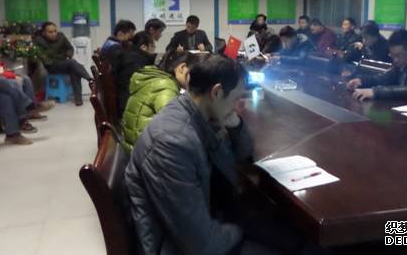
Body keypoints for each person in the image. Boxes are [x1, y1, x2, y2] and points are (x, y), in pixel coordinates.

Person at [124, 55, 303, 254]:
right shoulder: (171, 142)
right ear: (216, 92)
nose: (236, 105)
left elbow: (243, 154)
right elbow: (201, 244)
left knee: (293, 238)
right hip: (177, 246)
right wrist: (240, 229)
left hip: (209, 219)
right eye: (235, 99)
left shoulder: (198, 114)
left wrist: (235, 125)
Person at [0, 17, 54, 121]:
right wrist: (11, 76)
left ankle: (31, 110)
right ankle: (24, 115)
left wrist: (9, 73)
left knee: (25, 78)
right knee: (15, 82)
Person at [121, 50, 203, 153]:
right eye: (194, 73)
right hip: (144, 152)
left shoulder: (155, 78)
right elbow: (173, 126)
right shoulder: (166, 86)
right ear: (182, 68)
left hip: (136, 144)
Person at [347, 29, 407, 101]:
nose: (395, 60)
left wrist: (375, 92)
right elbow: (385, 78)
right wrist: (362, 81)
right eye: (392, 56)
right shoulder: (403, 62)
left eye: (398, 55)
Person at [33, 22, 92, 106]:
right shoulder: (38, 41)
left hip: (65, 63)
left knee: (74, 70)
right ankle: (90, 79)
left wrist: (68, 55)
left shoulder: (61, 36)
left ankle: (78, 100)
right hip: (52, 66)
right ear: (43, 33)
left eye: (55, 31)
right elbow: (43, 56)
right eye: (50, 32)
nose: (53, 34)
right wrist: (56, 57)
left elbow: (70, 48)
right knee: (72, 63)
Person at [114, 31, 157, 116]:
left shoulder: (129, 56)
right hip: (131, 107)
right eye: (153, 47)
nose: (154, 50)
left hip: (124, 101)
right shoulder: (138, 62)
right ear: (144, 47)